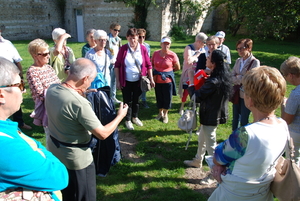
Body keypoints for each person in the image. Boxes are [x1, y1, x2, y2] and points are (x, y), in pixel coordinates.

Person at [46, 58, 128, 201]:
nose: (90, 83)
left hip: (56, 151)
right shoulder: (79, 104)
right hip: (77, 161)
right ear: (85, 78)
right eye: (91, 80)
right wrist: (120, 116)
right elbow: (102, 134)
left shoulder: (52, 89)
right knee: (84, 196)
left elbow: (68, 98)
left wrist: (83, 91)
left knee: (67, 194)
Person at [209, 66, 288, 201]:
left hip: (235, 195)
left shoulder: (245, 134)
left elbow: (218, 157)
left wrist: (219, 164)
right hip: (262, 193)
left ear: (250, 100)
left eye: (243, 90)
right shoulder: (283, 125)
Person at [0, 57, 68, 201]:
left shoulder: (5, 127)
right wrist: (37, 148)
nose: (24, 91)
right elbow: (58, 176)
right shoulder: (5, 145)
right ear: (1, 95)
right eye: (20, 85)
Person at [184, 50, 231, 173]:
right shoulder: (220, 76)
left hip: (210, 115)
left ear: (214, 63)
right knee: (202, 138)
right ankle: (198, 160)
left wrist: (191, 80)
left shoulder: (214, 81)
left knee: (211, 145)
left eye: (209, 57)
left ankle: (215, 173)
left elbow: (196, 97)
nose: (206, 59)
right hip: (213, 113)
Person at [115, 28, 155, 130]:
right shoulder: (123, 49)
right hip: (126, 79)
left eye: (135, 38)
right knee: (127, 101)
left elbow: (148, 64)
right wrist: (118, 81)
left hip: (139, 80)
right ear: (127, 37)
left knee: (136, 100)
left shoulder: (143, 48)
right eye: (131, 38)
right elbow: (117, 65)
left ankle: (135, 117)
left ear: (138, 38)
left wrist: (151, 79)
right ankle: (127, 119)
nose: (133, 41)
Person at [26, 38, 60, 143]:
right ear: (35, 56)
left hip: (58, 103)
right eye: (45, 54)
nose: (48, 56)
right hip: (47, 107)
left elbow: (58, 83)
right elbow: (40, 94)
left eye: (48, 53)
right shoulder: (32, 71)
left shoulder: (48, 67)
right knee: (51, 135)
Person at [0, 25, 31, 130]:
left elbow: (17, 60)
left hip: (11, 74)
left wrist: (20, 77)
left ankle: (20, 122)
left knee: (15, 96)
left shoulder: (7, 44)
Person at [231, 38, 260, 131]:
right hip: (236, 93)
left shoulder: (254, 62)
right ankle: (233, 136)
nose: (239, 51)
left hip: (246, 95)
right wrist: (240, 77)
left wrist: (238, 77)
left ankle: (243, 138)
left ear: (249, 48)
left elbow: (251, 79)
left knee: (244, 118)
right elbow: (231, 75)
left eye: (242, 48)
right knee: (235, 117)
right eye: (238, 49)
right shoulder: (238, 61)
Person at [152, 36, 180, 123]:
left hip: (167, 81)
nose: (166, 46)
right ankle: (160, 113)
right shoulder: (156, 53)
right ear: (161, 44)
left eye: (168, 44)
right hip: (157, 79)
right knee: (159, 96)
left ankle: (165, 114)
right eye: (164, 44)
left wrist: (167, 73)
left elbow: (178, 67)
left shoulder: (172, 55)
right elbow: (152, 63)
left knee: (167, 98)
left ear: (170, 45)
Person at [178, 32, 207, 115]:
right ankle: (182, 107)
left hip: (198, 74)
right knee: (186, 90)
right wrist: (198, 54)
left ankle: (195, 107)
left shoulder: (203, 49)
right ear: (198, 41)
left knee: (197, 90)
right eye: (204, 43)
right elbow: (189, 61)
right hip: (188, 73)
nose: (204, 45)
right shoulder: (189, 48)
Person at [280, 56, 300, 166]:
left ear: (291, 75)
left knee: (293, 162)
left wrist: (283, 105)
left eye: (285, 75)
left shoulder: (296, 94)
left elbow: (287, 120)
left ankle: (295, 182)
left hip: (295, 133)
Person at [107, 23, 122, 104]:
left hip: (116, 63)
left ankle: (113, 96)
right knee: (107, 80)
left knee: (114, 81)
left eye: (118, 30)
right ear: (111, 30)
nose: (116, 32)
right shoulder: (107, 39)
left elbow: (120, 51)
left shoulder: (119, 40)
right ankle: (107, 97)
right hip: (108, 63)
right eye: (115, 30)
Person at [138, 28, 151, 108]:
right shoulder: (135, 46)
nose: (142, 39)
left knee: (144, 84)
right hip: (136, 69)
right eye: (140, 37)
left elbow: (148, 58)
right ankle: (136, 100)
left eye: (143, 37)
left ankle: (143, 100)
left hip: (144, 69)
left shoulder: (147, 46)